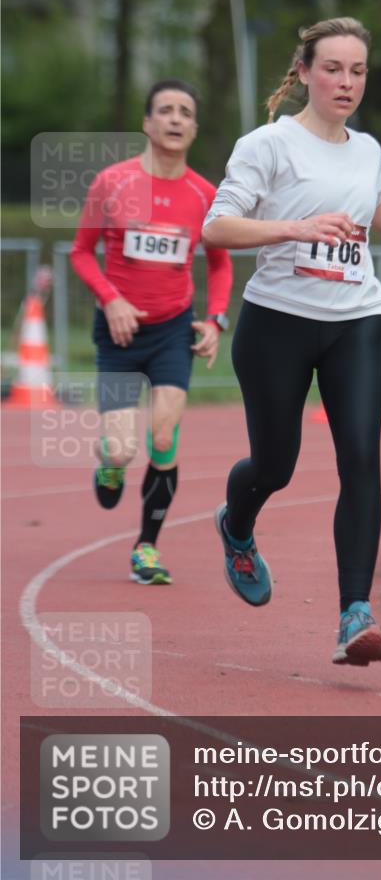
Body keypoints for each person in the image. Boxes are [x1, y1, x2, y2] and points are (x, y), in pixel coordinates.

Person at [202, 18, 381, 665]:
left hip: (357, 319)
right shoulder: (268, 145)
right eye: (333, 69)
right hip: (276, 322)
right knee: (276, 465)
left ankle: (354, 616)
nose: (346, 82)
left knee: (361, 459)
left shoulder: (367, 149)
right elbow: (217, 228)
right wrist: (294, 227)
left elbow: (374, 200)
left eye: (357, 71)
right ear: (305, 72)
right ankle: (236, 525)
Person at [70, 79, 233, 585]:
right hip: (118, 335)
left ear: (194, 128)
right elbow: (80, 252)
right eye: (165, 110)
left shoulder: (205, 194)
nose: (176, 118)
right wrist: (111, 299)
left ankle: (146, 548)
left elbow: (221, 264)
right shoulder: (112, 183)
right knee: (121, 448)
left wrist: (215, 319)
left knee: (163, 436)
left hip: (171, 333)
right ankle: (110, 465)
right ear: (147, 123)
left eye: (185, 111)